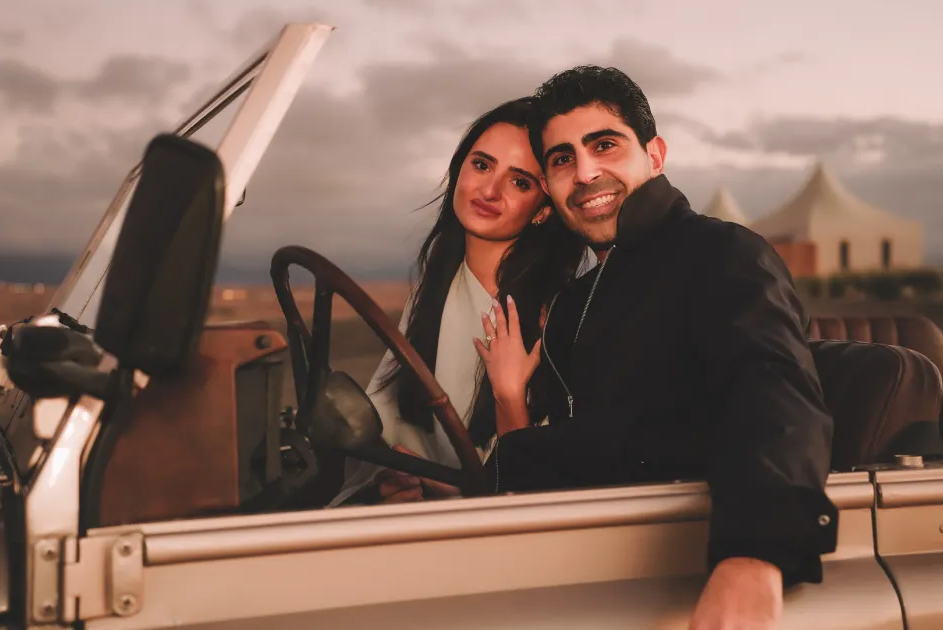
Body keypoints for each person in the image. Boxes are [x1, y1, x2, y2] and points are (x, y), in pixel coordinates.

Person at [477, 67, 839, 630]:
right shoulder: (573, 303)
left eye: (604, 145)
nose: (585, 172)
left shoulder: (719, 252)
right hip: (584, 568)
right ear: (549, 183)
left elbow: (771, 388)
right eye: (563, 159)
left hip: (675, 569)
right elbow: (582, 447)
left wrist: (753, 557)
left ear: (655, 154)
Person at [330, 97, 586, 506]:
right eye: (482, 165)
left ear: (543, 210)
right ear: (458, 169)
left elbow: (533, 494)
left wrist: (508, 394)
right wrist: (388, 483)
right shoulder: (437, 285)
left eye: (520, 182)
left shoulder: (553, 318)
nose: (489, 190)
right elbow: (386, 420)